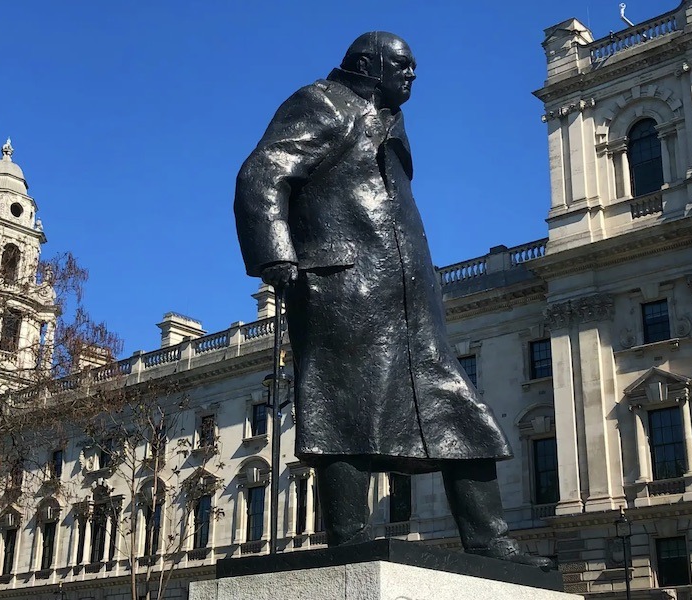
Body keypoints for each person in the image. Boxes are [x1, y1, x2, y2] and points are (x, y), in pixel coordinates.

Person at [234, 31, 551, 569]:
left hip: (405, 301)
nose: (412, 76)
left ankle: (489, 539)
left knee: (461, 411)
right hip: (341, 286)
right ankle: (350, 540)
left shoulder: (388, 120)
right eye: (402, 66)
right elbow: (261, 174)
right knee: (343, 412)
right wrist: (275, 255)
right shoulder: (321, 102)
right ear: (367, 64)